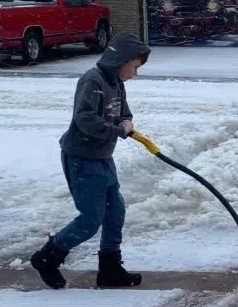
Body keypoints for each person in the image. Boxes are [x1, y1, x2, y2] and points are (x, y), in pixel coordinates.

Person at [29, 33, 151, 289]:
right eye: (134, 67)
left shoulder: (116, 82)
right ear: (120, 61)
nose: (135, 74)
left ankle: (110, 268)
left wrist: (126, 122)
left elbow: (123, 112)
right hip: (82, 159)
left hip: (103, 157)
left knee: (115, 212)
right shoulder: (93, 80)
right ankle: (48, 257)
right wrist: (118, 130)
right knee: (90, 220)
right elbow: (85, 120)